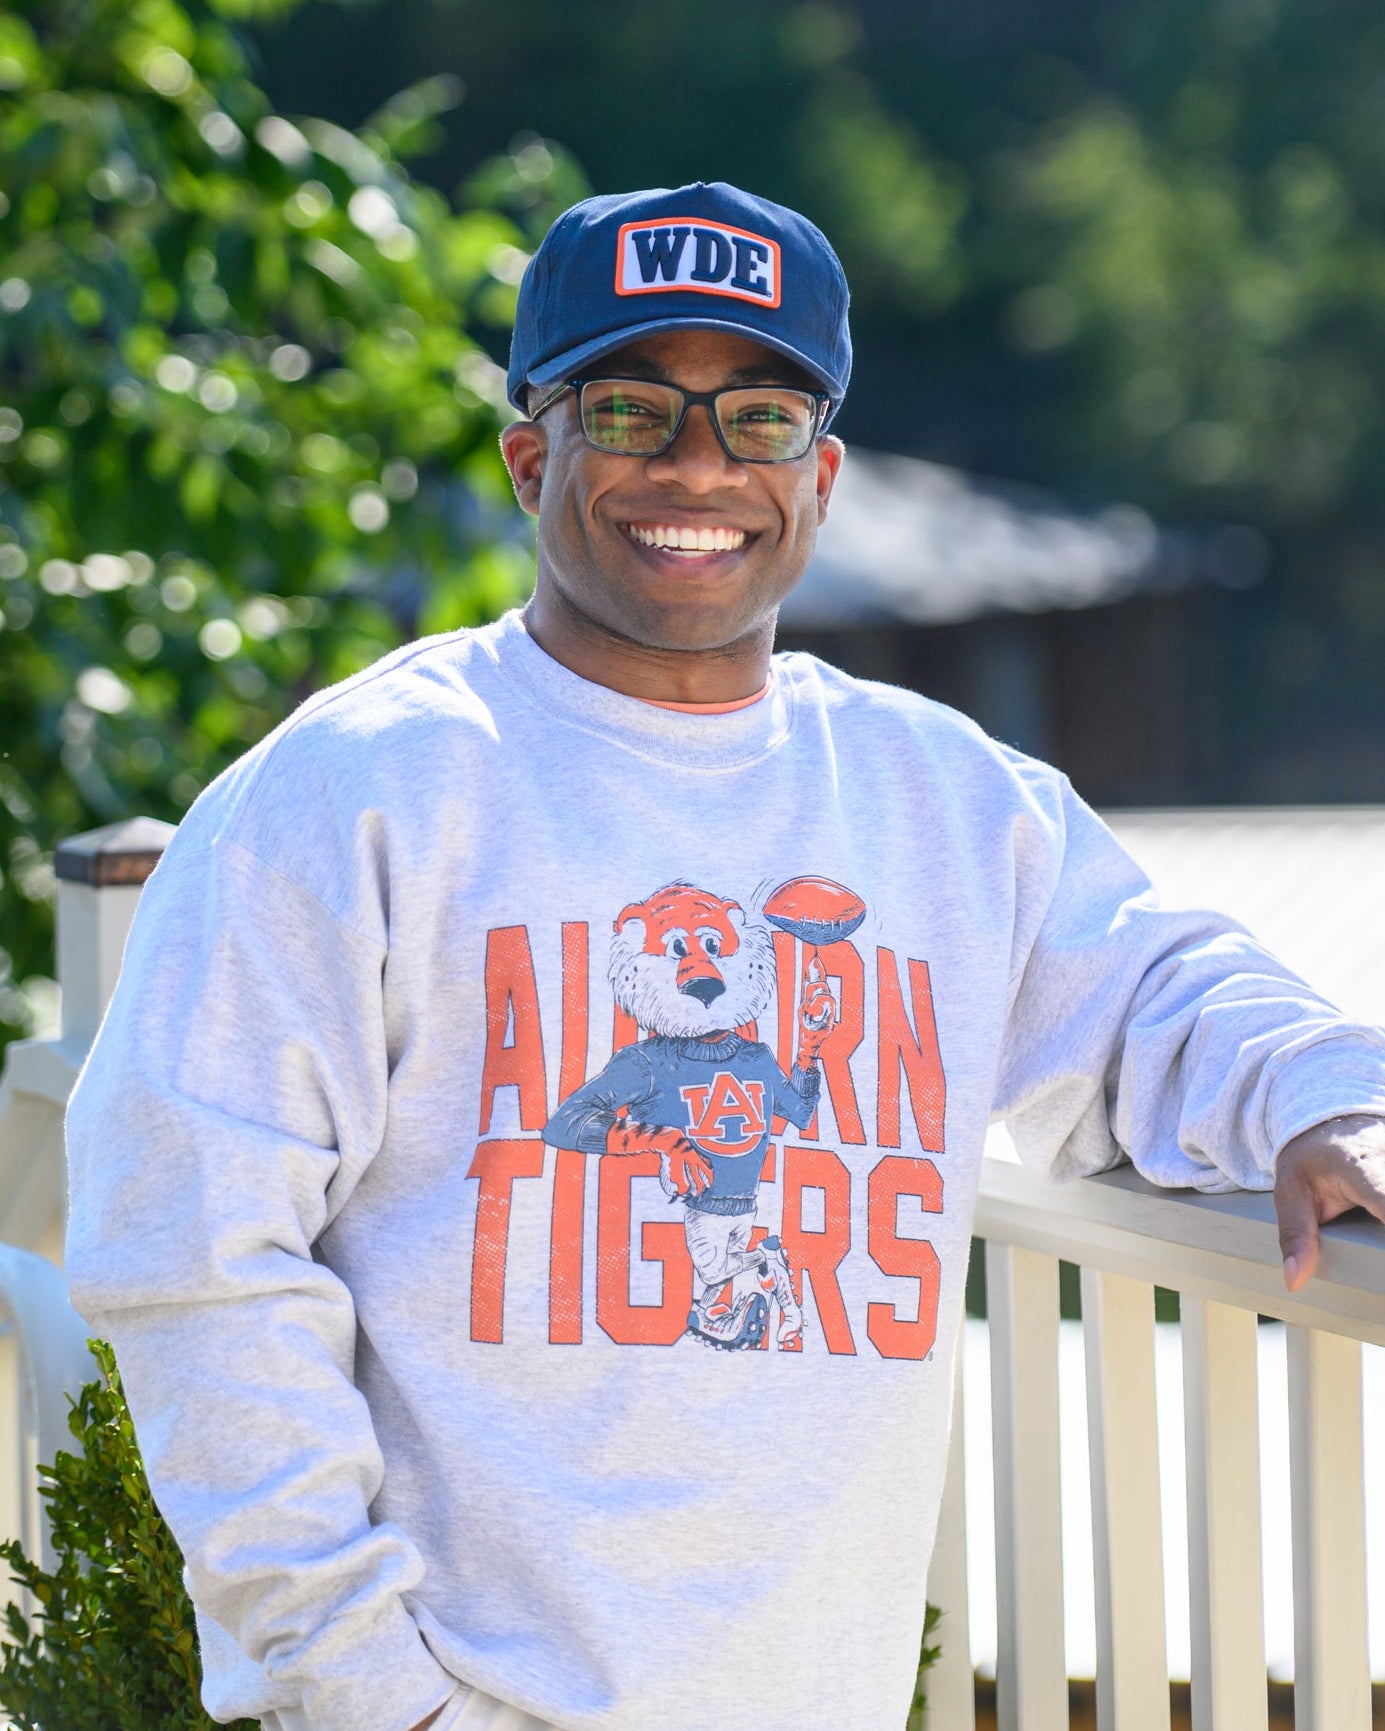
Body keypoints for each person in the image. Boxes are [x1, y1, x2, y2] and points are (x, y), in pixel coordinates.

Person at [64, 181, 1385, 1731]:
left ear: (817, 476)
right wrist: (363, 1695)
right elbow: (188, 1245)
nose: (696, 465)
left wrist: (1325, 1102)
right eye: (629, 409)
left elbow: (1160, 991)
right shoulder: (360, 786)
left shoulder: (940, 799)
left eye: (756, 418)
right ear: (528, 454)